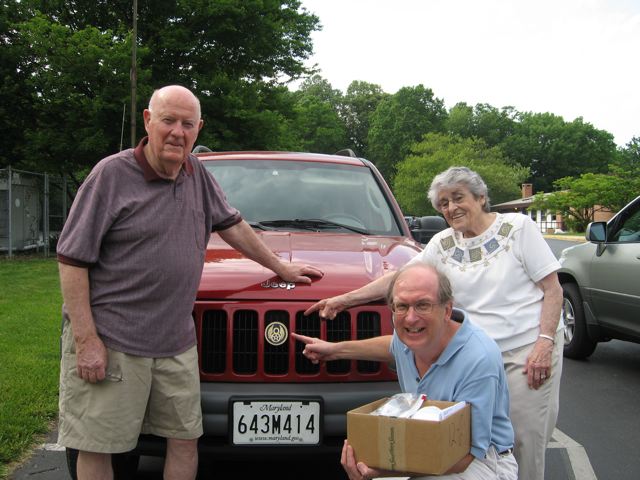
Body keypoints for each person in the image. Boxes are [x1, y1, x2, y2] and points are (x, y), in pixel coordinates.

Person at [56, 85, 323, 480]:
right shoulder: (110, 176)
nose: (177, 132)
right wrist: (86, 340)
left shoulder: (197, 173)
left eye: (187, 124)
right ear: (149, 121)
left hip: (176, 344)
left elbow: (231, 224)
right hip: (114, 341)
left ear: (199, 129)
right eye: (168, 121)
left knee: (184, 440)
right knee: (99, 445)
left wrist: (279, 267)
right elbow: (71, 260)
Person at [304, 166, 563, 480]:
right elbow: (398, 280)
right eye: (443, 203)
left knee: (522, 438)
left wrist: (545, 343)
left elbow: (553, 289)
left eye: (458, 198)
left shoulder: (517, 228)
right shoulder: (443, 244)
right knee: (458, 438)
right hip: (462, 357)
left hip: (525, 348)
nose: (451, 208)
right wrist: (344, 300)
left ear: (481, 197)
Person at [294, 263, 518, 480]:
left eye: (423, 305)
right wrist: (333, 350)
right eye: (402, 306)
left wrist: (383, 471)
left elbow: (465, 455)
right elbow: (392, 346)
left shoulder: (478, 359)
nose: (411, 318)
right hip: (426, 442)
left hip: (482, 462)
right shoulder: (411, 338)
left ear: (447, 309)